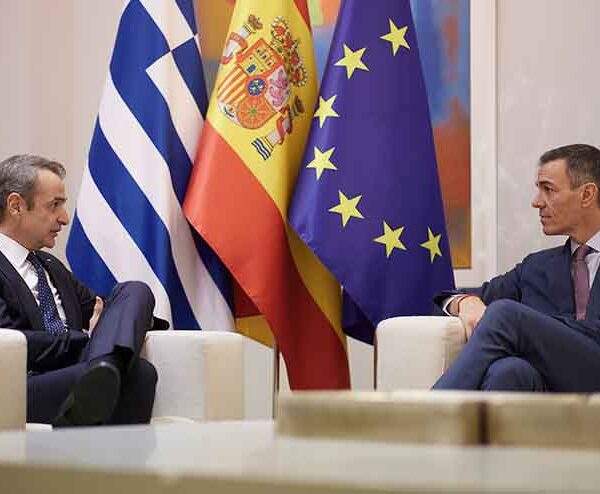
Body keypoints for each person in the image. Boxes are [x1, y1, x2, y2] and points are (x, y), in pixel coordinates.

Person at [0, 154, 160, 426]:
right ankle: (102, 369)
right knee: (136, 373)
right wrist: (88, 338)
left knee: (134, 291)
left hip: (80, 372)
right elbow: (16, 342)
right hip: (27, 386)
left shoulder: (50, 265)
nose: (64, 218)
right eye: (54, 205)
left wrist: (110, 329)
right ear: (16, 205)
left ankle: (102, 371)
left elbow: (108, 311)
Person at [434, 144, 600, 392]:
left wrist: (535, 329)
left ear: (587, 194)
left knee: (504, 315)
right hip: (548, 390)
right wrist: (464, 301)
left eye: (548, 189)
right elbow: (440, 301)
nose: (536, 202)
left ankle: (427, 414)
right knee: (509, 370)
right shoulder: (535, 267)